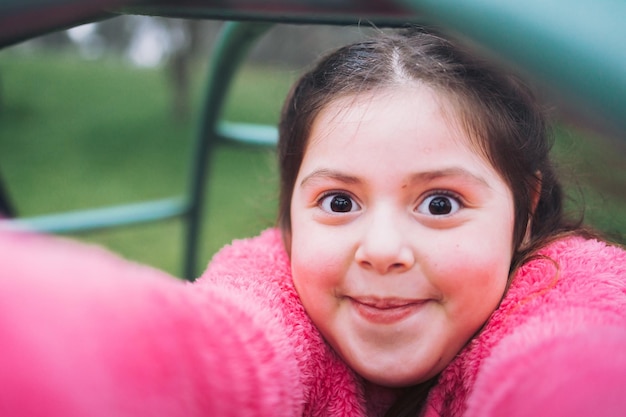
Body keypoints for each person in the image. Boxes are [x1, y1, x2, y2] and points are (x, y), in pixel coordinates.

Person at [0, 27, 625, 417]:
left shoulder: (567, 296)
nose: (381, 251)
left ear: (523, 212)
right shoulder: (268, 290)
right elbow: (212, 352)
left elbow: (578, 372)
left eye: (439, 203)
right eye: (339, 203)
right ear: (292, 212)